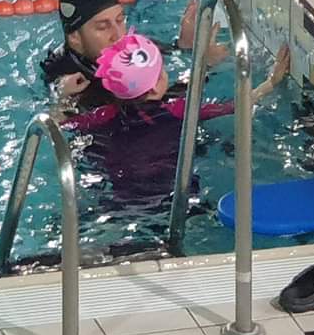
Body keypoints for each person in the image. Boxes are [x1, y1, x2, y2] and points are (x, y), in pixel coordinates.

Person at [57, 30, 290, 205]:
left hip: (123, 194)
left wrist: (64, 96)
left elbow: (61, 124)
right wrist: (270, 83)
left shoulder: (103, 115)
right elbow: (234, 106)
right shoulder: (176, 110)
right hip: (172, 190)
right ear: (158, 86)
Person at [39, 0, 229, 110]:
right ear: (74, 38)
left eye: (120, 20)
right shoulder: (70, 78)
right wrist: (204, 67)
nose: (118, 34)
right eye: (103, 26)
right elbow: (153, 110)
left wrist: (183, 46)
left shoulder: (127, 47)